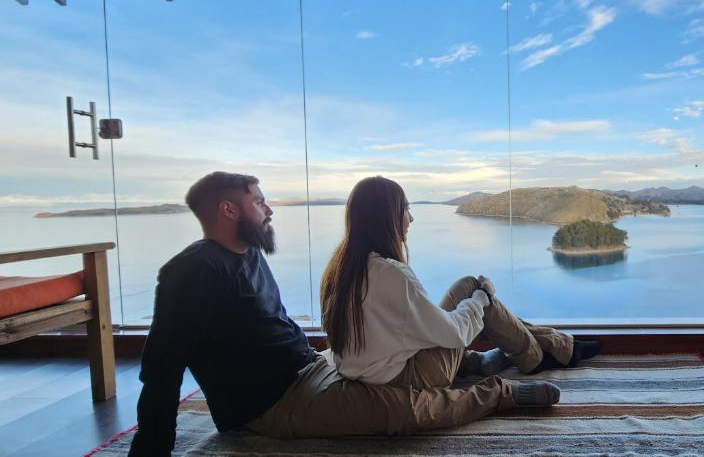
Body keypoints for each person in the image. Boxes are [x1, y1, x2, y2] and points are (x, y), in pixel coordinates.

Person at [128, 172, 593, 457]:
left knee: (451, 312)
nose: (269, 209)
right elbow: (162, 367)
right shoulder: (190, 273)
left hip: (311, 369)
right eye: (258, 201)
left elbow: (275, 326)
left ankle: (518, 353)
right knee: (407, 412)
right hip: (273, 406)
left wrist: (320, 356)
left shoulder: (248, 254)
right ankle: (503, 390)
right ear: (228, 209)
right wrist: (150, 450)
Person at [319, 176, 602, 427]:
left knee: (468, 289)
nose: (411, 219)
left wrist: (476, 300)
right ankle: (545, 354)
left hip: (373, 368)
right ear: (387, 217)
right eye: (406, 209)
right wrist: (481, 298)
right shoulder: (391, 275)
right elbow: (456, 333)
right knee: (476, 292)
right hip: (404, 377)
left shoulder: (340, 269)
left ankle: (554, 347)